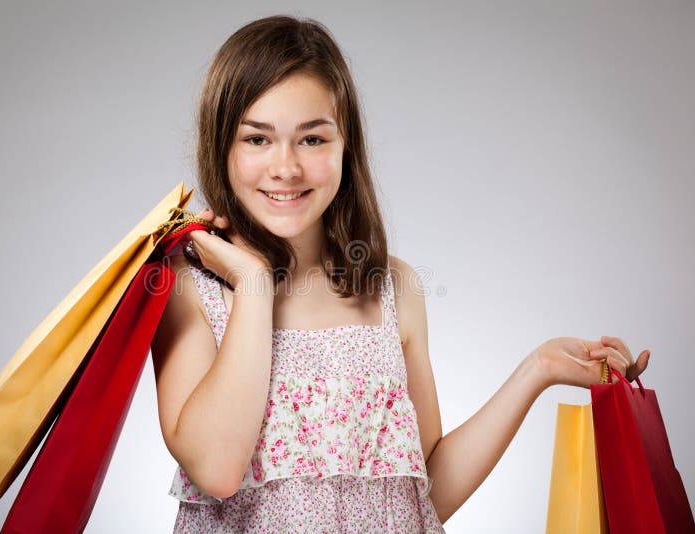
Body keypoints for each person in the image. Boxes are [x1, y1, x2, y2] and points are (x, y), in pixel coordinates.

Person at [149, 15, 651, 533]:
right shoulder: (187, 289)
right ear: (222, 146)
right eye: (257, 139)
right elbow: (216, 469)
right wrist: (253, 288)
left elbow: (425, 493)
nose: (287, 167)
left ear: (346, 146)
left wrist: (538, 369)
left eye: (313, 140)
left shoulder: (393, 290)